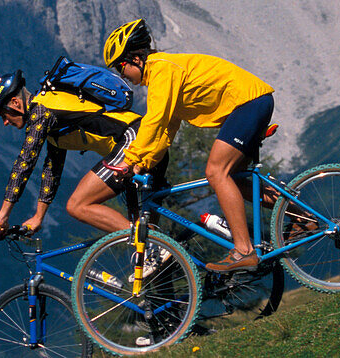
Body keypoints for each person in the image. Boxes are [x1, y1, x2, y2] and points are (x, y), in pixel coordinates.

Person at [101, 18, 275, 273]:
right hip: (254, 102)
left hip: (248, 103)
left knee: (216, 172)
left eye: (120, 67)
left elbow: (154, 120)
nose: (121, 75)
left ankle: (243, 251)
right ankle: (301, 216)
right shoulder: (162, 75)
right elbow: (165, 131)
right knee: (233, 180)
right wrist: (142, 164)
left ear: (136, 58)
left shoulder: (161, 70)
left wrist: (129, 159)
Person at [0, 68, 167, 239]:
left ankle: (151, 242)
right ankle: (164, 253)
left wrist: (2, 217)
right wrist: (39, 217)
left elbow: (24, 164)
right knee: (147, 251)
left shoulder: (42, 110)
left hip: (133, 140)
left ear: (15, 102)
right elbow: (52, 171)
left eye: (3, 115)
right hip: (144, 139)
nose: (5, 122)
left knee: (77, 205)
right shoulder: (52, 115)